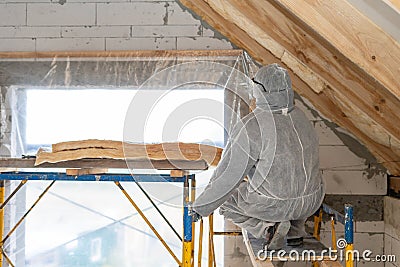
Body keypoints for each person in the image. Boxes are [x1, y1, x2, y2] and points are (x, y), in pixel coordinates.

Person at [192, 63, 325, 250]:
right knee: (297, 186)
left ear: (259, 89)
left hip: (275, 206)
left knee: (228, 203)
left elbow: (228, 176)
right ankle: (295, 232)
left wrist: (200, 208)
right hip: (311, 201)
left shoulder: (253, 125)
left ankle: (268, 229)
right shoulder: (302, 117)